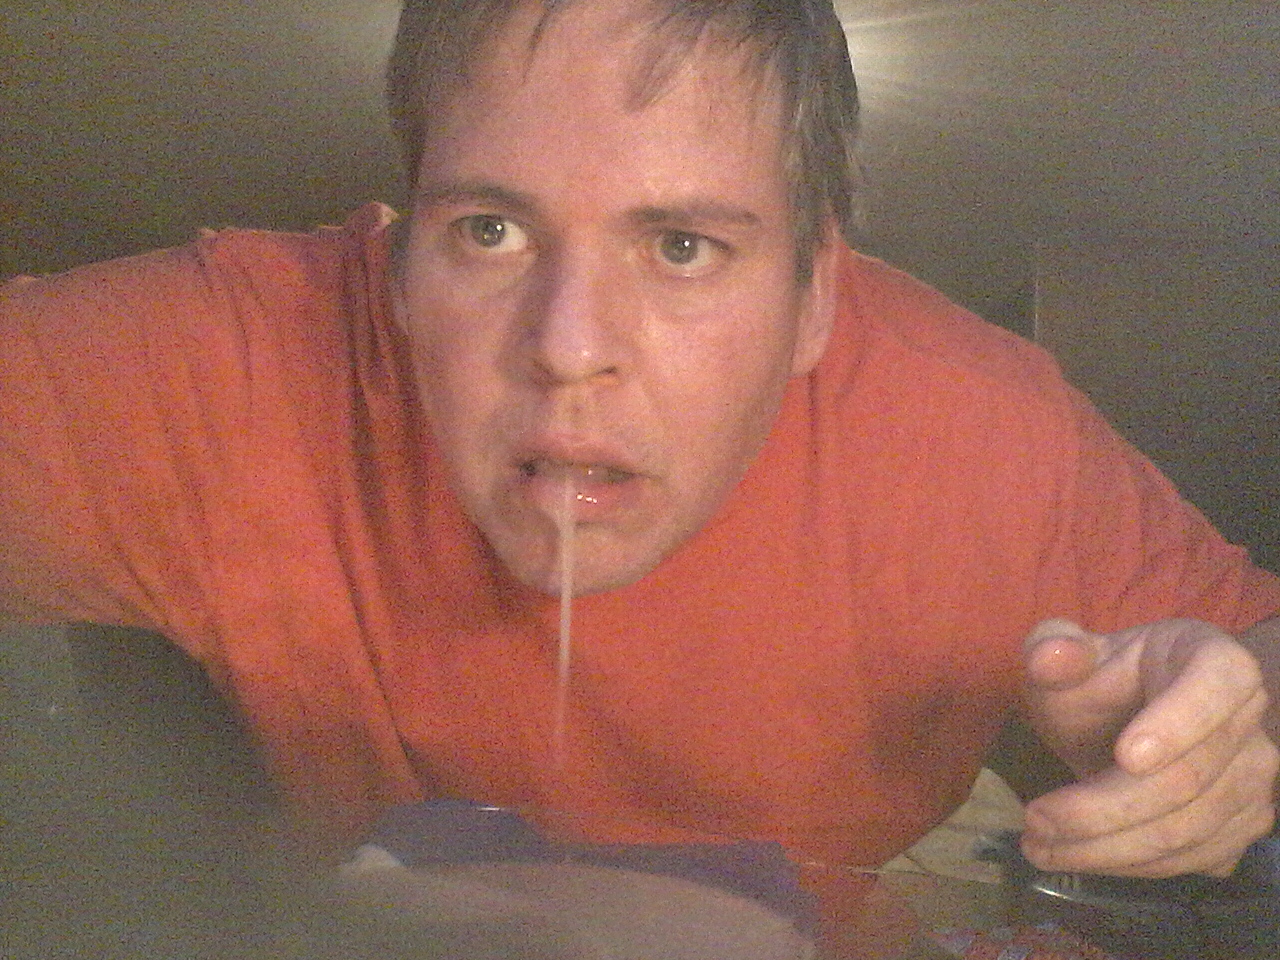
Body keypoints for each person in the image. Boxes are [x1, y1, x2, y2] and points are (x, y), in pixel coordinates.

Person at [1, 0, 1277, 897]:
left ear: (814, 300)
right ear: (396, 265)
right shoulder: (247, 358)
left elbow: (1253, 645)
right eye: (489, 232)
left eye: (679, 248)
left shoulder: (982, 432)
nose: (567, 349)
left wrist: (1218, 732)